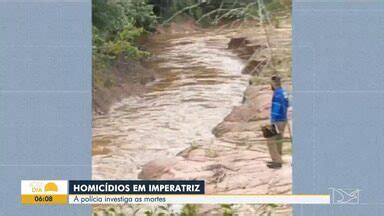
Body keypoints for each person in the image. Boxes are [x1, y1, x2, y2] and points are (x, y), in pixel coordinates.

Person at [266, 75, 289, 169]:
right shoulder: (284, 92)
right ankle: (278, 160)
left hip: (277, 119)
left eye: (271, 83)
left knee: (270, 140)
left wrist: (273, 121)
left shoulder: (276, 93)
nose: (270, 85)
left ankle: (276, 161)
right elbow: (287, 104)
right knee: (279, 140)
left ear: (273, 83)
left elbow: (276, 107)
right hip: (283, 119)